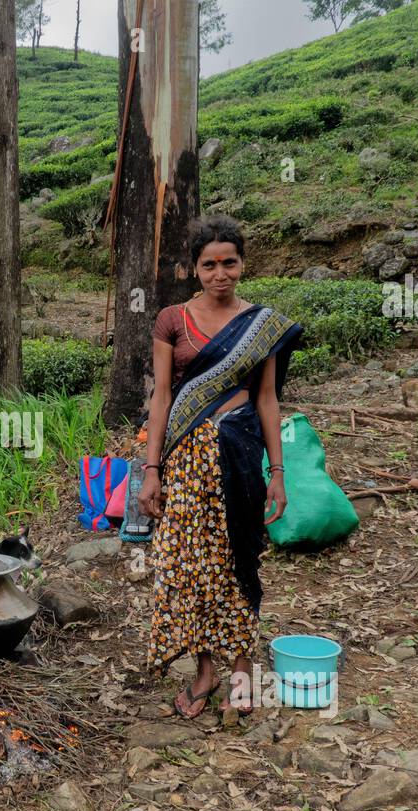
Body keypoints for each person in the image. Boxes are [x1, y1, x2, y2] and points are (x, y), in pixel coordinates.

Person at [138, 215, 303, 719]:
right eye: (208, 265)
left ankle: (240, 671)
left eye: (229, 262)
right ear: (194, 269)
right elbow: (162, 395)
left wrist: (277, 473)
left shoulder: (262, 326)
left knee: (237, 560)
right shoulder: (170, 319)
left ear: (242, 264)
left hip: (237, 455)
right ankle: (203, 670)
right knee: (187, 566)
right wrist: (151, 468)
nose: (220, 273)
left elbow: (269, 400)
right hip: (185, 462)